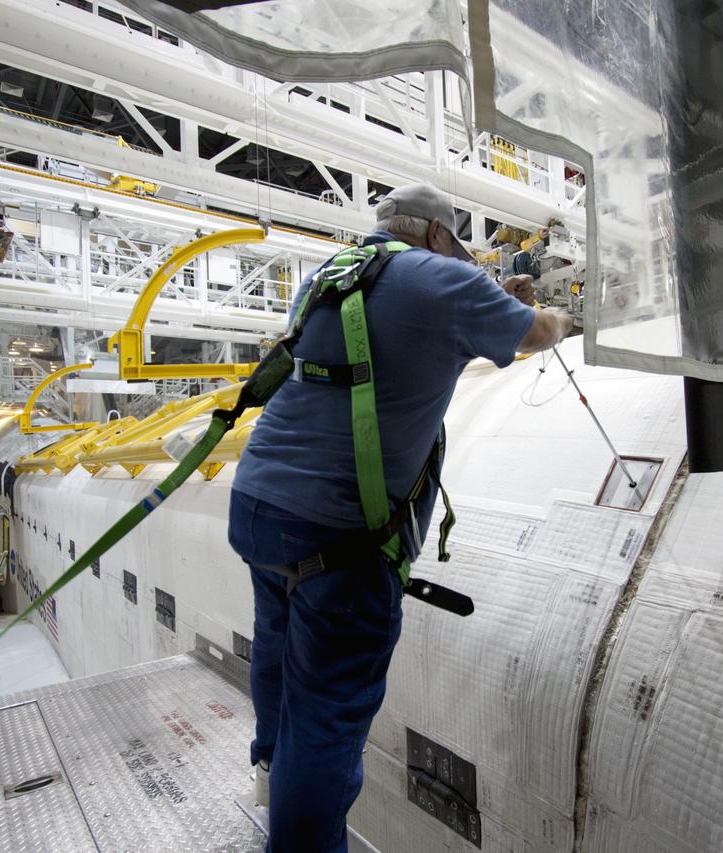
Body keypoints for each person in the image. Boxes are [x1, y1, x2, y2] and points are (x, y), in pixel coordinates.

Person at [226, 183, 575, 851]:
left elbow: (397, 331)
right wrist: (563, 318)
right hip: (339, 542)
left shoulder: (326, 278)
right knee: (325, 718)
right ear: (441, 236)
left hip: (260, 506)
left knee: (275, 645)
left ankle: (268, 768)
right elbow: (533, 333)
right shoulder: (442, 277)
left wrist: (483, 300)